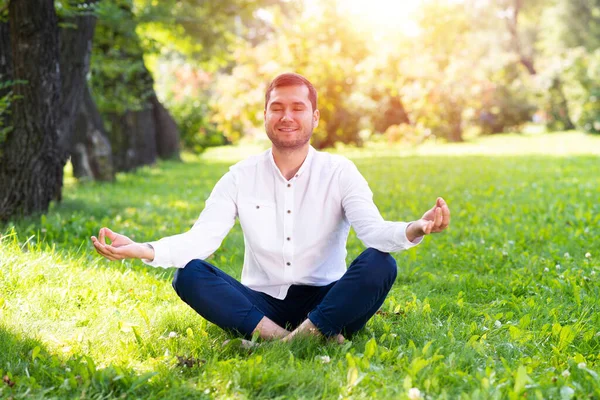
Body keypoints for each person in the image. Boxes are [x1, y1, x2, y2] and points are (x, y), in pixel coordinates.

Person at [91, 73, 450, 344]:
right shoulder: (239, 176)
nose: (287, 116)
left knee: (380, 262)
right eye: (277, 108)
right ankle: (288, 340)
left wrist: (416, 227)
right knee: (190, 274)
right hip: (262, 303)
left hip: (329, 300)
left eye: (297, 108)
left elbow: (373, 231)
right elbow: (201, 239)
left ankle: (299, 335)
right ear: (265, 116)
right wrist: (143, 250)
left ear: (315, 117)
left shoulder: (339, 172)